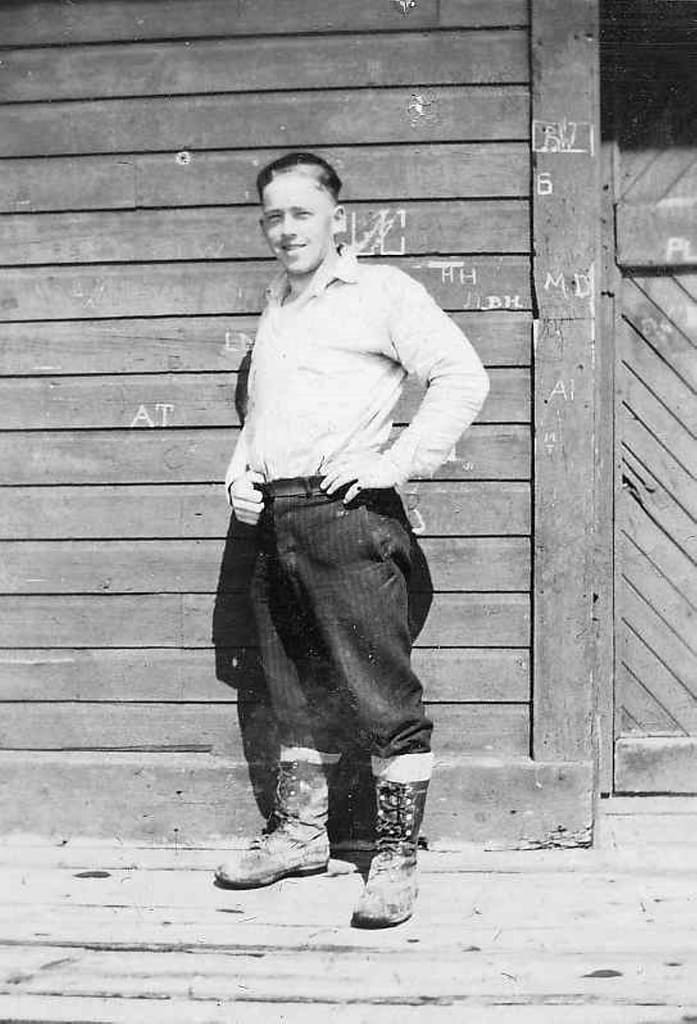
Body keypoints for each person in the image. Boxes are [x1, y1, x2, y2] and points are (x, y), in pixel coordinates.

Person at [215, 152, 489, 928]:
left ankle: (394, 861)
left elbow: (462, 378)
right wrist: (240, 472)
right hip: (277, 520)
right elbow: (263, 416)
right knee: (293, 690)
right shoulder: (278, 303)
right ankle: (301, 837)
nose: (285, 229)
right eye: (272, 215)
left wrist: (393, 463)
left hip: (348, 523)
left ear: (338, 217)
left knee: (380, 697)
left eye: (300, 213)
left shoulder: (381, 293)